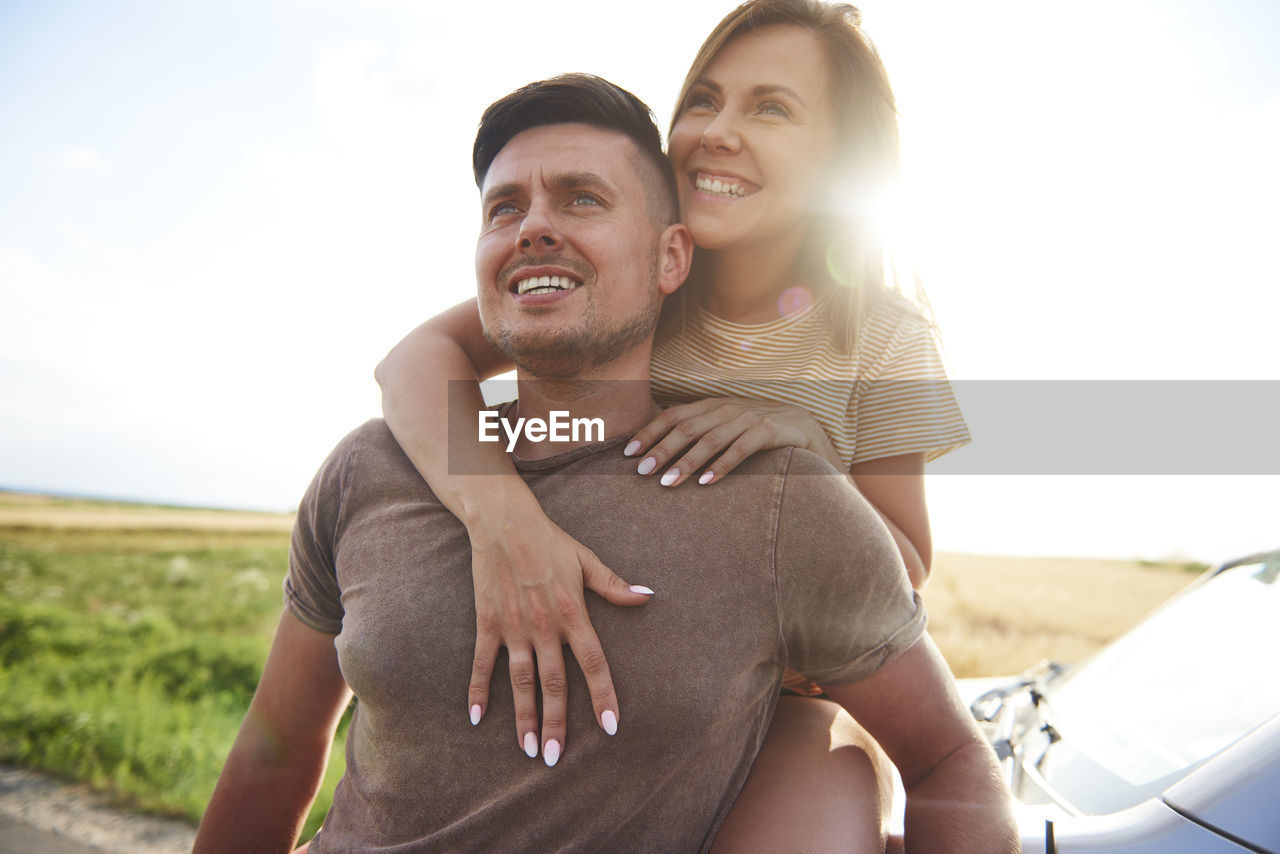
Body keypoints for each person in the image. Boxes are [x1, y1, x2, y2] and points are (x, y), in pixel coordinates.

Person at [193, 73, 1014, 853]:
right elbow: (276, 747)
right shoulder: (370, 468)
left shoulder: (778, 502)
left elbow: (950, 765)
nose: (532, 228)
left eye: (582, 198)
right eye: (503, 208)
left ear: (671, 260)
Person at [374, 0, 969, 844]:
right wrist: (500, 517)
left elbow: (902, 570)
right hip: (633, 665)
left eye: (771, 107)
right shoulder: (637, 276)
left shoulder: (881, 335)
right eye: (704, 100)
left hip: (787, 707)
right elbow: (413, 362)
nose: (718, 131)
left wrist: (797, 444)